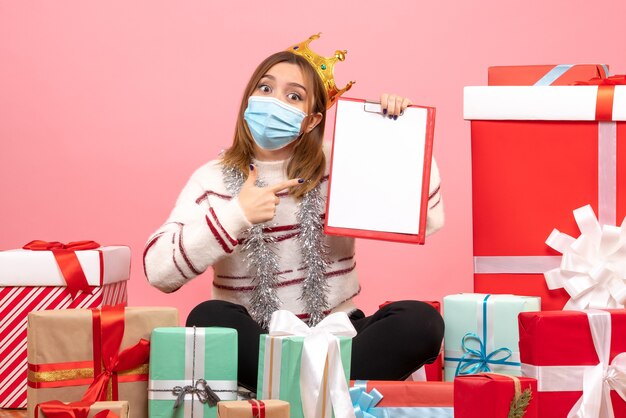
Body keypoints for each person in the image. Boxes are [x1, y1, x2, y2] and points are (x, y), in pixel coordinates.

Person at [144, 34, 445, 391]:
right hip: (258, 340)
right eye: (265, 89)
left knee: (422, 321)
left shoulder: (344, 161)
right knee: (206, 318)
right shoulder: (213, 178)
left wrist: (397, 133)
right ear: (248, 99)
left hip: (340, 335)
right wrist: (236, 215)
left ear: (312, 120)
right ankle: (324, 391)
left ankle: (290, 389)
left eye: (293, 96)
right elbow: (159, 271)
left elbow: (429, 218)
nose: (274, 102)